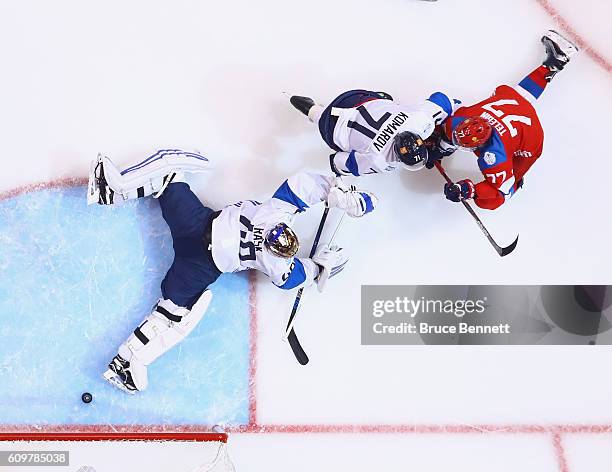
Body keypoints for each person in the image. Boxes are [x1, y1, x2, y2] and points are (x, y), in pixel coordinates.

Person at [87, 149, 378, 393]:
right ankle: (126, 363)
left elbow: (301, 187)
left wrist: (336, 193)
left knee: (168, 182)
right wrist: (319, 267)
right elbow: (292, 277)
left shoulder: (275, 213)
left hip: (198, 234)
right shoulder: (277, 259)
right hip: (201, 260)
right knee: (172, 313)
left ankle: (109, 190)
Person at [426, 30, 579, 210]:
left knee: (496, 197)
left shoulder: (495, 156)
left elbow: (500, 190)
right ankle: (555, 62)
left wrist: (470, 190)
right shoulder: (461, 119)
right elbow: (448, 130)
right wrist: (440, 147)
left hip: (530, 136)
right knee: (519, 97)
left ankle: (517, 183)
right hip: (511, 103)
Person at [289, 89, 459, 176]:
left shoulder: (420, 120)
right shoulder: (380, 161)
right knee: (343, 147)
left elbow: (444, 100)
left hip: (356, 97)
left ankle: (381, 97)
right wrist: (443, 145)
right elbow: (336, 163)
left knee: (387, 100)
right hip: (330, 124)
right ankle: (313, 112)